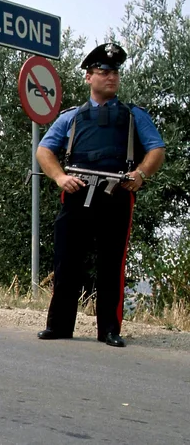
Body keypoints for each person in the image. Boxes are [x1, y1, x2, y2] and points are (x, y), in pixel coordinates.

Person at [35, 42, 166, 347]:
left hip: (116, 195)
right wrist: (59, 177)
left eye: (115, 72)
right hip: (78, 192)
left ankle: (109, 329)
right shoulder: (72, 117)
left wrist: (141, 174)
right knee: (67, 261)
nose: (111, 77)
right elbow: (45, 150)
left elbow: (157, 149)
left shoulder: (133, 116)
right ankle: (59, 326)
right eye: (104, 71)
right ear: (88, 77)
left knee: (112, 264)